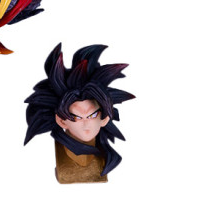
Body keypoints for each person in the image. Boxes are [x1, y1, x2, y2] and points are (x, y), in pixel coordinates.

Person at [24, 44, 134, 182]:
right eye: (76, 117)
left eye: (92, 115)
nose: (86, 124)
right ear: (61, 121)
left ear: (104, 118)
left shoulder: (106, 154)